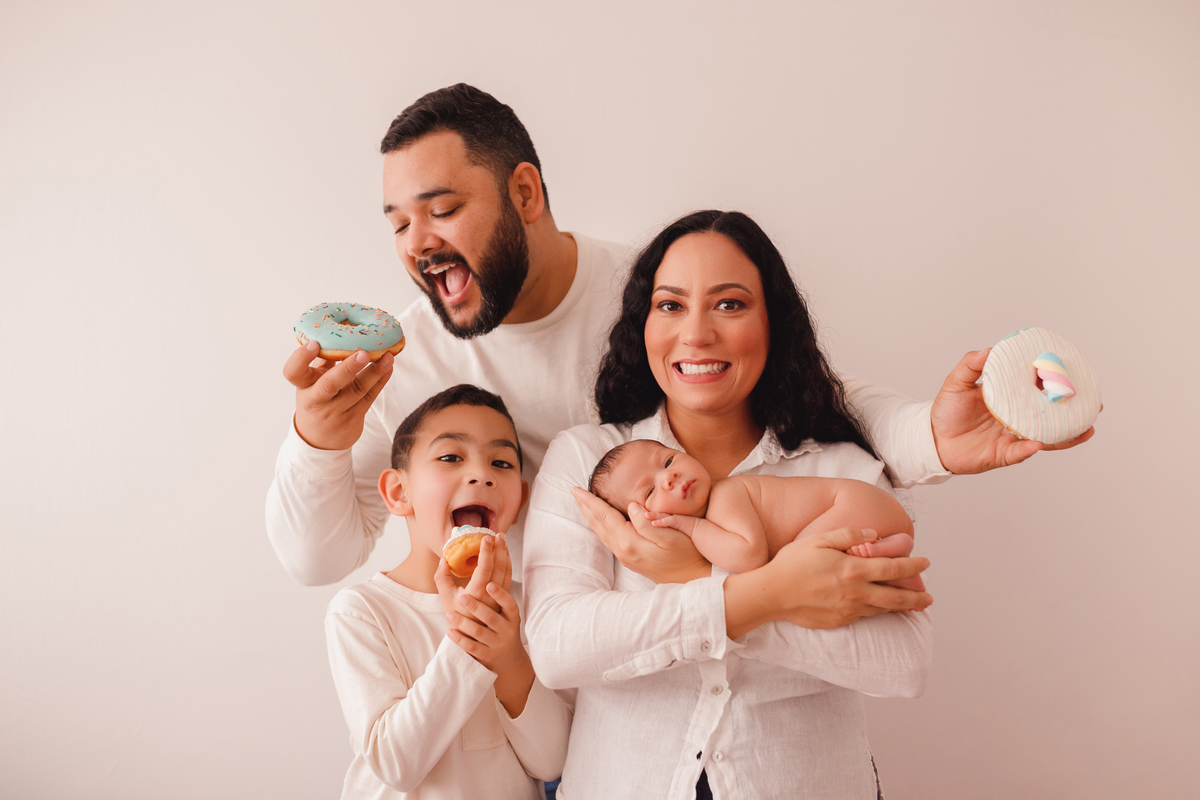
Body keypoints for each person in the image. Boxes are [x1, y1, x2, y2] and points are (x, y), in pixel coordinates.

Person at [267, 82, 1092, 611]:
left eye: (441, 210)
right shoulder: (407, 361)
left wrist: (936, 440)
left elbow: (806, 393)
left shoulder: (656, 298)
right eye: (398, 223)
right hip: (542, 703)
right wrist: (317, 440)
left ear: (525, 191)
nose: (418, 244)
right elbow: (316, 560)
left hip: (699, 660)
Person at [522, 210, 936, 799]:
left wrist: (694, 578)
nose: (695, 334)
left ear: (774, 325)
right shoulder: (592, 462)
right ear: (643, 323)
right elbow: (559, 647)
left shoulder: (841, 470)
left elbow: (903, 664)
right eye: (670, 305)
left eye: (730, 304)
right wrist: (763, 596)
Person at [325, 384, 569, 799]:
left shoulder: (530, 605)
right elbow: (396, 764)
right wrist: (467, 643)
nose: (481, 474)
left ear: (520, 500)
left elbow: (553, 762)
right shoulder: (362, 611)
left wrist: (507, 655)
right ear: (399, 493)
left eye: (501, 462)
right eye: (451, 457)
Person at [587, 438, 923, 590]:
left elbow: (749, 558)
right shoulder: (718, 511)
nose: (669, 477)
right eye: (650, 491)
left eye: (669, 460)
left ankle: (888, 552)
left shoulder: (726, 495)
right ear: (642, 520)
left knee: (796, 564)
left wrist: (688, 526)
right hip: (865, 508)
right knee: (809, 566)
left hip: (852, 504)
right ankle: (891, 557)